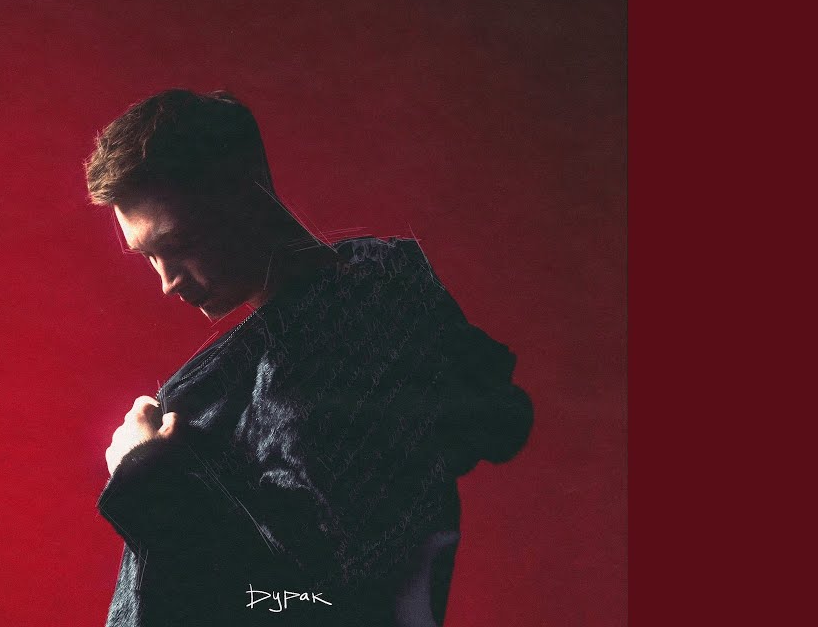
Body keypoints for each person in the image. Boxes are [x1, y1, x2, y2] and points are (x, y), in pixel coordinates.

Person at [84, 89, 533, 626]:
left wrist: (144, 471)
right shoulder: (370, 301)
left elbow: (309, 604)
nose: (167, 282)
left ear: (246, 193)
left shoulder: (323, 367)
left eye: (179, 244)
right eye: (149, 256)